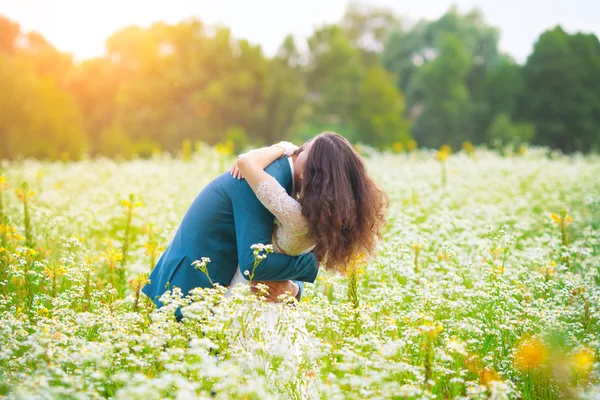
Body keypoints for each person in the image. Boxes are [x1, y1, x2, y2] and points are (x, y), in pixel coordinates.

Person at [142, 141, 316, 320]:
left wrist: (293, 289)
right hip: (193, 283)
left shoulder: (286, 182)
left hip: (229, 294)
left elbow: (290, 246)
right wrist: (313, 265)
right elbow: (254, 263)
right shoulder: (262, 178)